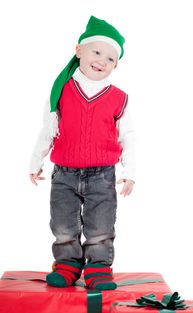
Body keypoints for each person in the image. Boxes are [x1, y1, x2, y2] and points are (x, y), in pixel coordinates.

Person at [29, 16, 135, 290]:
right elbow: (48, 129)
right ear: (79, 51)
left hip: (102, 176)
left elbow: (128, 137)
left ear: (116, 65)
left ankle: (98, 267)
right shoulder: (62, 91)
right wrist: (35, 162)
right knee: (63, 224)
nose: (101, 61)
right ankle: (67, 264)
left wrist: (130, 172)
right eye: (96, 52)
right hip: (64, 174)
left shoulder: (118, 98)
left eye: (110, 58)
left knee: (100, 226)